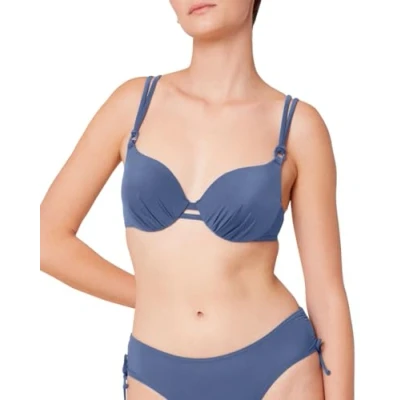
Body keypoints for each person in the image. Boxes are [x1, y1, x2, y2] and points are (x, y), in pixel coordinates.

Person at [40, 1, 354, 399]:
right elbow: (45, 240)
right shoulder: (133, 105)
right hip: (156, 375)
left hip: (278, 370)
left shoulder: (297, 127)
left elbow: (327, 294)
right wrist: (152, 294)